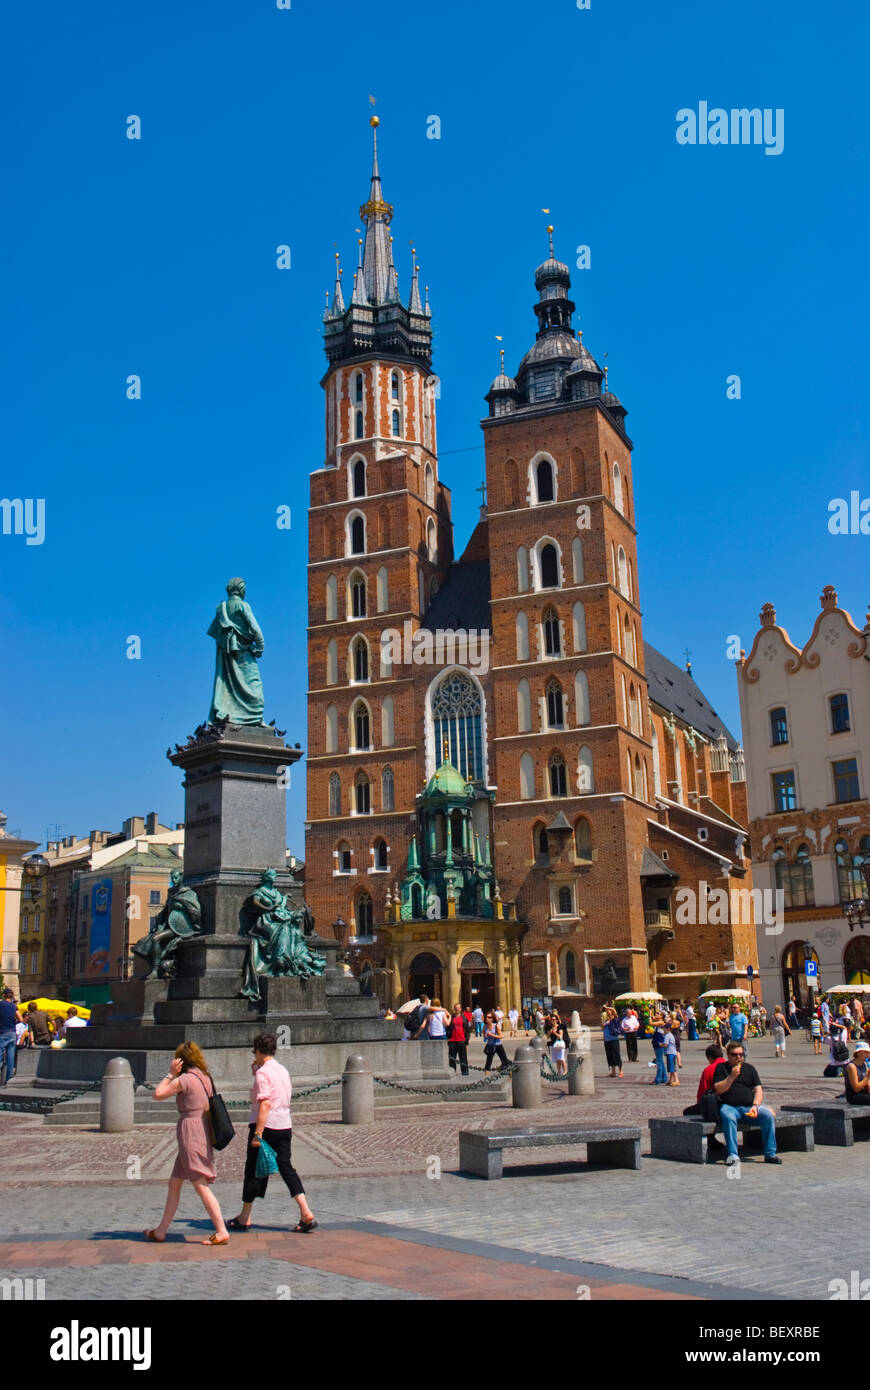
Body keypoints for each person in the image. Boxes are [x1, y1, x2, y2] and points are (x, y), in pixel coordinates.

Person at [228, 1032, 317, 1234]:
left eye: (255, 1052)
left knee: (253, 1170)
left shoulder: (263, 1073)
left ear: (259, 1051)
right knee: (286, 1167)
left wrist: (258, 1134)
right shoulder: (282, 1070)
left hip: (266, 1126)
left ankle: (244, 1216)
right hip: (285, 1124)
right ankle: (305, 1210)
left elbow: (265, 1103)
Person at [145, 1041, 230, 1244]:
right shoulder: (205, 1078)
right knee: (175, 1183)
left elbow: (157, 1094)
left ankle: (221, 1230)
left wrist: (171, 1074)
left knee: (200, 1183)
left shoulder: (185, 1080)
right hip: (203, 1128)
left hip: (191, 1132)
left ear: (181, 1060)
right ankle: (161, 1230)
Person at [713, 1040, 781, 1165]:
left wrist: (755, 1106)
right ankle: (733, 1155)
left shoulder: (750, 1069)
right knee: (728, 1117)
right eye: (735, 1055)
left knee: (768, 1116)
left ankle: (770, 1154)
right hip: (730, 1106)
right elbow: (719, 1089)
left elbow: (758, 1090)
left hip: (749, 1107)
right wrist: (732, 1076)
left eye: (741, 1055)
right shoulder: (721, 1068)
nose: (738, 1057)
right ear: (728, 1056)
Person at [0, 988, 21, 1085]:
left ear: (4, 995)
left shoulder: (1, 1004)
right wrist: (13, 1022)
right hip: (12, 1033)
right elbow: (20, 1019)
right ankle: (9, 1079)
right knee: (10, 1057)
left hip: (2, 1032)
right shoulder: (14, 1006)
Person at [447, 1004, 469, 1076]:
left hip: (461, 1040)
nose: (457, 1009)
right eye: (456, 1008)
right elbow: (447, 1028)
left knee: (463, 1056)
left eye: (458, 1008)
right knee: (452, 1057)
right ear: (454, 1009)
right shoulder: (451, 1018)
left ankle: (465, 1071)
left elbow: (467, 1030)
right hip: (452, 1040)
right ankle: (452, 1071)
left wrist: (466, 1040)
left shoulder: (464, 1018)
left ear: (460, 1009)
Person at [601, 1005, 623, 1079]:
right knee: (610, 1056)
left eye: (609, 1012)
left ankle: (620, 1071)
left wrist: (607, 1008)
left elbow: (614, 1010)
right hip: (607, 1040)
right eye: (607, 1012)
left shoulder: (615, 1020)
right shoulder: (606, 1021)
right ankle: (613, 1072)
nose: (608, 1013)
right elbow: (602, 1028)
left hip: (614, 1040)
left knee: (616, 1055)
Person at [650, 1014, 668, 1085]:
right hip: (656, 1044)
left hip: (659, 1044)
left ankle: (658, 1079)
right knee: (660, 1060)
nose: (656, 1014)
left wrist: (649, 1015)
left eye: (658, 1014)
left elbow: (650, 1023)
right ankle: (664, 1078)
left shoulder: (661, 1022)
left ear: (661, 1016)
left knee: (658, 1061)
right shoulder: (658, 1022)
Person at [664, 1020, 680, 1086]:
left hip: (670, 1053)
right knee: (671, 1067)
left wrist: (660, 1044)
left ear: (668, 1029)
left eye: (664, 1029)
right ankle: (670, 1080)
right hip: (672, 1052)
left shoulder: (667, 1036)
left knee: (672, 1067)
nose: (663, 1030)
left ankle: (676, 1080)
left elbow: (666, 1044)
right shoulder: (671, 1035)